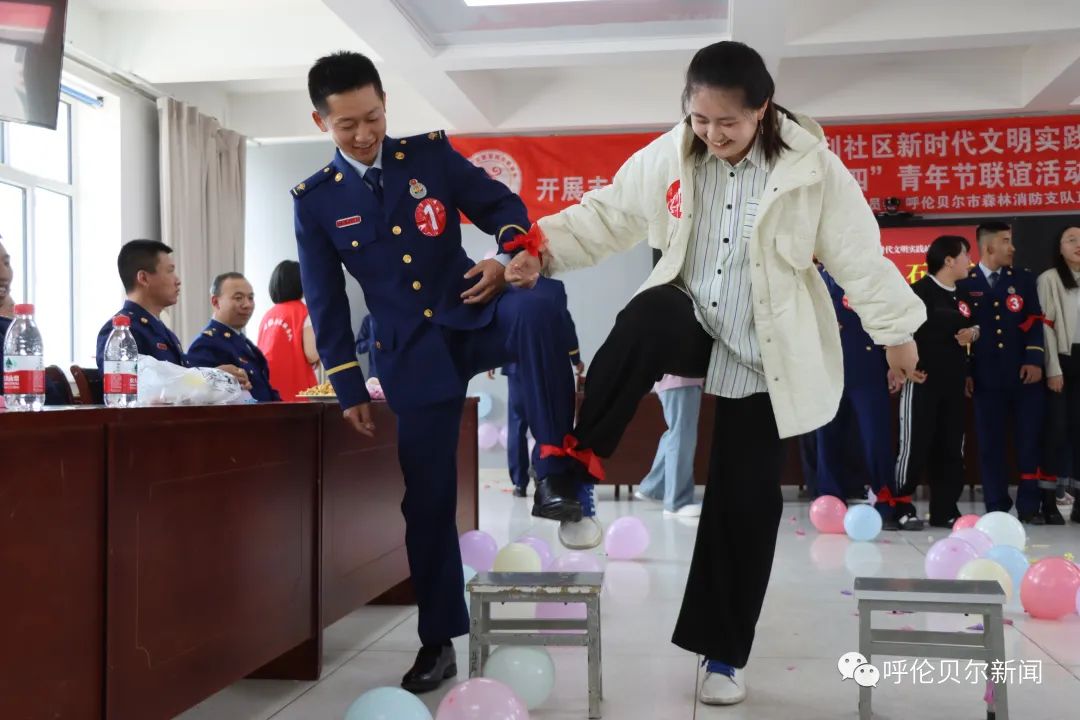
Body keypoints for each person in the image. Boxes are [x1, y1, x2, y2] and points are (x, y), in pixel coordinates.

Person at [505, 41, 926, 707]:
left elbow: (858, 255)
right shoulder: (672, 154)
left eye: (727, 122)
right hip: (691, 315)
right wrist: (540, 250)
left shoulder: (814, 170)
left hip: (766, 349)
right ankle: (571, 470)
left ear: (762, 110)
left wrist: (897, 333)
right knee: (645, 315)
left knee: (745, 502)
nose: (712, 134)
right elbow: (609, 213)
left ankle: (722, 655)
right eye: (700, 119)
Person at [293, 51, 586, 694]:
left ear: (384, 105)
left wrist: (506, 255)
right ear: (321, 121)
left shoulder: (426, 157)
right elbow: (325, 299)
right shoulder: (316, 202)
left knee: (539, 303)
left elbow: (500, 201)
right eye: (348, 125)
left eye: (373, 117)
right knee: (426, 501)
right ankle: (437, 640)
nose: (365, 134)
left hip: (472, 310)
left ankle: (558, 469)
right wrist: (347, 385)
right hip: (409, 353)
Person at [958, 222, 1057, 523]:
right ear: (988, 247)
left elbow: (1034, 322)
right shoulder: (965, 282)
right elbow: (958, 334)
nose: (1012, 247)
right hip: (986, 379)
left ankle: (1029, 505)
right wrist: (966, 372)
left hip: (1024, 377)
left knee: (1029, 441)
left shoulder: (1023, 280)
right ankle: (996, 506)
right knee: (990, 444)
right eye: (1005, 241)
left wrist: (1034, 360)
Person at [816, 269, 917, 529]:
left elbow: (894, 320)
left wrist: (893, 363)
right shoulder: (812, 277)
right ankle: (830, 501)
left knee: (876, 438)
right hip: (826, 370)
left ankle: (884, 499)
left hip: (868, 367)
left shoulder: (874, 273)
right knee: (826, 438)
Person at [895, 236, 978, 529]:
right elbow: (896, 332)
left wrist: (973, 333)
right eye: (966, 255)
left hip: (953, 384)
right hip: (922, 382)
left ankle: (945, 509)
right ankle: (900, 505)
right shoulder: (918, 292)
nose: (970, 260)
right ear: (949, 260)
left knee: (951, 447)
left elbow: (975, 325)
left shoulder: (963, 294)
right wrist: (902, 368)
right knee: (915, 444)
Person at [95, 240, 251, 390]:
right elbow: (142, 390)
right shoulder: (120, 332)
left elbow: (180, 382)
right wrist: (209, 377)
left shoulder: (161, 330)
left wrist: (216, 376)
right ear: (143, 278)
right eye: (170, 271)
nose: (177, 280)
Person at [499, 279, 584, 498]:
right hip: (548, 365)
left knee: (517, 423)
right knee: (547, 420)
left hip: (515, 364)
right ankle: (545, 474)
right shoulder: (553, 288)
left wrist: (492, 359)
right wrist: (575, 358)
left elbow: (499, 324)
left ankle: (519, 483)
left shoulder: (506, 285)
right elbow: (565, 323)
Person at [1037, 223, 1080, 525]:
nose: (1078, 244)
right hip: (1064, 361)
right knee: (1057, 430)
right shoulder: (1049, 279)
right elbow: (1045, 327)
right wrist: (1052, 368)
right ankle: (1048, 500)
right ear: (1060, 247)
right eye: (1071, 239)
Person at [187, 272, 281, 402]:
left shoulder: (246, 343)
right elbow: (194, 395)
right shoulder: (205, 344)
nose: (247, 304)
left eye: (250, 298)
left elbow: (266, 392)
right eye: (238, 298)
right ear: (216, 302)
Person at [635, 375, 704, 517]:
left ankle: (653, 487)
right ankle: (678, 502)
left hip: (678, 377)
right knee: (682, 435)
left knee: (677, 433)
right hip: (681, 376)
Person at [257, 260, 319, 401]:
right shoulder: (304, 312)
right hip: (296, 389)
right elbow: (311, 354)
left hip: (268, 388)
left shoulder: (267, 315)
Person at [355, 313, 378, 378]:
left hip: (396, 373)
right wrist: (373, 342)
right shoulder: (368, 320)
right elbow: (359, 348)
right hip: (375, 376)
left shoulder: (395, 318)